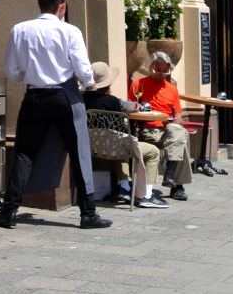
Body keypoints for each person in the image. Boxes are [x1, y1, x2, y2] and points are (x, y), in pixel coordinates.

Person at [0, 0, 111, 229]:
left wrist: (29, 76)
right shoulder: (70, 31)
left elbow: (10, 69)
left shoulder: (20, 29)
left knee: (25, 153)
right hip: (64, 95)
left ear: (40, 3)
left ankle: (9, 211)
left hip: (34, 96)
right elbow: (82, 69)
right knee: (78, 153)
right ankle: (88, 214)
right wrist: (89, 83)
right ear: (62, 7)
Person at [82, 61, 168, 208]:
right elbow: (122, 127)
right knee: (153, 151)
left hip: (93, 147)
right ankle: (146, 195)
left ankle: (125, 188)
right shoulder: (112, 101)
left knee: (117, 143)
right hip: (115, 146)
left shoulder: (82, 99)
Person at [128, 52, 193, 201]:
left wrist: (173, 124)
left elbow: (178, 115)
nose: (162, 74)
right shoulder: (139, 84)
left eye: (165, 71)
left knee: (177, 132)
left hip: (166, 129)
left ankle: (169, 175)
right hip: (147, 129)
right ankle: (177, 185)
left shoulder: (171, 89)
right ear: (151, 67)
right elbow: (130, 107)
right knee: (180, 142)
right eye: (158, 70)